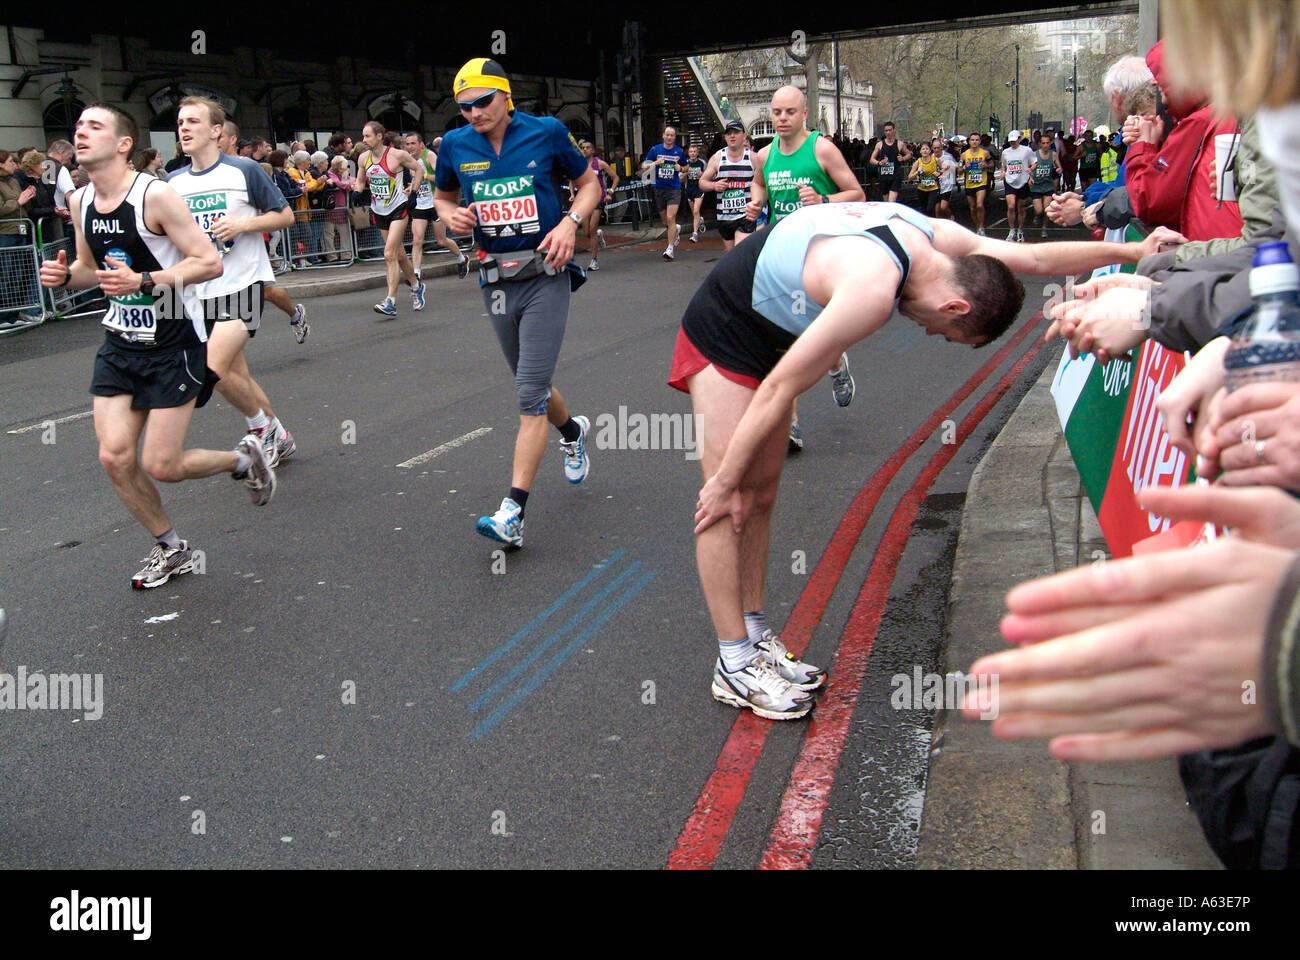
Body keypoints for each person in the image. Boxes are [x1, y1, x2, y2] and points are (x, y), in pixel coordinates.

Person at [671, 200, 1182, 719]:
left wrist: (1135, 250)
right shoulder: (872, 290)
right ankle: (733, 662)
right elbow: (781, 388)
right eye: (944, 333)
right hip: (727, 330)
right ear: (956, 307)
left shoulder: (938, 244)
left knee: (762, 495)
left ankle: (755, 637)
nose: (929, 333)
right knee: (727, 496)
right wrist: (722, 478)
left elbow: (1036, 260)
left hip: (777, 333)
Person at [40, 103, 276, 589]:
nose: (81, 133)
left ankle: (243, 459)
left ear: (123, 144)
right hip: (120, 340)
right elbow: (90, 269)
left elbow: (208, 262)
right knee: (114, 456)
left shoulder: (156, 196)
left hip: (173, 338)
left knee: (162, 465)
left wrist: (145, 279)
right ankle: (171, 548)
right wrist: (67, 278)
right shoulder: (83, 200)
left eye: (94, 127)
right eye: (78, 126)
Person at [434, 57, 599, 550]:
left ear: (507, 96)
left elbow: (589, 182)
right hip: (496, 280)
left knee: (528, 392)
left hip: (546, 272)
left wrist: (569, 223)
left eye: (482, 102)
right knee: (533, 382)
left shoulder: (546, 131)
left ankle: (513, 512)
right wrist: (451, 217)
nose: (473, 114)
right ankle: (572, 431)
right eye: (464, 107)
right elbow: (442, 197)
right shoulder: (456, 145)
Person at [169, 96, 304, 467]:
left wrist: (243, 224)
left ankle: (260, 431)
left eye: (193, 121)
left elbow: (286, 216)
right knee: (232, 375)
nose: (184, 128)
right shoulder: (173, 182)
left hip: (243, 283)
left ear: (216, 131)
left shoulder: (244, 169)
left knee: (210, 368)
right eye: (180, 122)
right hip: (199, 290)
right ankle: (280, 435)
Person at [748, 85, 866, 449]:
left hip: (822, 253)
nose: (781, 119)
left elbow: (857, 193)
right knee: (788, 338)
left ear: (803, 115)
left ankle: (835, 362)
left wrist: (823, 198)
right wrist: (755, 205)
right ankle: (792, 424)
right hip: (784, 253)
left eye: (788, 112)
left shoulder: (821, 149)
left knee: (815, 332)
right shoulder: (764, 156)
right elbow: (759, 185)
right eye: (776, 112)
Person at [353, 121, 426, 317]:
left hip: (398, 208)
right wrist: (357, 192)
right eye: (363, 136)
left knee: (388, 254)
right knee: (399, 255)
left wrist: (414, 192)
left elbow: (419, 170)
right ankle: (417, 285)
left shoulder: (397, 155)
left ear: (379, 136)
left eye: (367, 136)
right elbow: (360, 180)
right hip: (379, 211)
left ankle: (390, 301)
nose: (364, 140)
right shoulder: (363, 158)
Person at [403, 131, 469, 281]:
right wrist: (411, 187)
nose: (410, 147)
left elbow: (442, 176)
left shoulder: (429, 156)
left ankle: (461, 259)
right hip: (420, 204)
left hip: (434, 202)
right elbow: (414, 181)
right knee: (417, 239)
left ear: (420, 144)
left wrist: (424, 176)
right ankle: (416, 274)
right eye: (407, 144)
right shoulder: (408, 160)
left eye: (413, 143)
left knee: (441, 240)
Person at [699, 119, 756, 251]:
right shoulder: (718, 158)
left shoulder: (753, 158)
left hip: (745, 215)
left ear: (744, 136)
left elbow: (761, 183)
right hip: (724, 216)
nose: (732, 136)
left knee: (741, 252)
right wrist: (714, 186)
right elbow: (702, 182)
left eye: (736, 132)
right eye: (729, 133)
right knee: (730, 256)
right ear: (725, 137)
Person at [642, 126, 686, 261]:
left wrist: (681, 168)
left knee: (671, 217)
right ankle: (674, 231)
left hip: (674, 189)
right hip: (659, 188)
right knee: (665, 221)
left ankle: (670, 249)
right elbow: (644, 166)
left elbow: (686, 167)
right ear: (663, 136)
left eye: (672, 135)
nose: (669, 137)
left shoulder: (679, 151)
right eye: (667, 135)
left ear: (674, 137)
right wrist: (656, 162)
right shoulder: (655, 150)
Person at [576, 138, 618, 270]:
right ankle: (599, 235)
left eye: (587, 147)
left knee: (593, 228)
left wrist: (610, 193)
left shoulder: (599, 163)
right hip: (583, 200)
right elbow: (572, 180)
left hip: (597, 199)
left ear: (593, 150)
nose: (585, 149)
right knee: (587, 231)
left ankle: (594, 260)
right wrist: (572, 194)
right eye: (582, 148)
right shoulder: (578, 164)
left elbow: (615, 177)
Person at [1000, 131, 1036, 242]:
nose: (1012, 143)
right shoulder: (1005, 152)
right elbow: (1003, 165)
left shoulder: (1027, 151)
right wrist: (1003, 172)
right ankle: (1012, 230)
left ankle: (1020, 230)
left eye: (1014, 141)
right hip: (1010, 180)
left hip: (1023, 180)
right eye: (1011, 141)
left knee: (1021, 207)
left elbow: (1034, 162)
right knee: (1011, 206)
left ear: (1019, 139)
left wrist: (1031, 170)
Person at [1028, 132, 1063, 238]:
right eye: (1043, 143)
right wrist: (1030, 178)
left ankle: (1044, 228)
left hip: (1048, 185)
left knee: (1047, 209)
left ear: (1050, 143)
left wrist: (1059, 169)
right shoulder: (1034, 155)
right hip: (1037, 186)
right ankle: (1037, 216)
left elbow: (1060, 168)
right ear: (1040, 144)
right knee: (1039, 210)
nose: (1045, 145)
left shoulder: (1053, 154)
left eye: (1047, 143)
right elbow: (1028, 168)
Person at [320, 155, 354, 263]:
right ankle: (331, 256)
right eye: (345, 166)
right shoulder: (330, 173)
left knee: (344, 232)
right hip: (331, 208)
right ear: (338, 167)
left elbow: (353, 180)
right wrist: (347, 185)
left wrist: (348, 183)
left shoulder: (344, 174)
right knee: (329, 234)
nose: (347, 169)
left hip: (343, 207)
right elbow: (337, 183)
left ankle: (346, 254)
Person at [869, 121, 912, 203]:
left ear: (894, 130)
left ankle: (893, 214)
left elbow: (909, 154)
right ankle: (890, 215)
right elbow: (871, 159)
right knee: (886, 202)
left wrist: (903, 158)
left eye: (890, 130)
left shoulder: (899, 144)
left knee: (891, 201)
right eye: (886, 130)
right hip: (884, 177)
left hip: (895, 176)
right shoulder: (879, 144)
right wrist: (879, 163)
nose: (888, 132)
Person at [960, 133, 993, 236]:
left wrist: (986, 165)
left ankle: (982, 226)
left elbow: (992, 164)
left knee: (979, 205)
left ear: (979, 141)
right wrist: (965, 166)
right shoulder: (964, 155)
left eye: (977, 140)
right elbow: (959, 171)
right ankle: (977, 226)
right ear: (969, 142)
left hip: (981, 182)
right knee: (972, 207)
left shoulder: (985, 153)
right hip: (969, 183)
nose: (974, 142)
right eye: (972, 140)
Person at [908, 141, 942, 216]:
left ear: (930, 151)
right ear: (920, 151)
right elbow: (910, 177)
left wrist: (939, 173)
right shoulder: (918, 162)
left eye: (927, 149)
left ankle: (932, 225)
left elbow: (944, 169)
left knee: (930, 208)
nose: (925, 150)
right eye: (923, 149)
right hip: (922, 189)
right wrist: (917, 171)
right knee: (924, 210)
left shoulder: (935, 160)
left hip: (933, 188)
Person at [682, 143, 707, 243]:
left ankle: (695, 234)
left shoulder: (702, 163)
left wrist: (702, 175)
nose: (692, 154)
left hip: (699, 189)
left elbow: (709, 175)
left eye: (694, 152)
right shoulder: (685, 163)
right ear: (688, 153)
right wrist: (685, 174)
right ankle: (700, 220)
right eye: (691, 152)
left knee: (696, 210)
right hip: (689, 189)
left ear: (697, 153)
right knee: (694, 212)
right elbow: (680, 179)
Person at [933, 137, 959, 219]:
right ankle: (939, 227)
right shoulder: (931, 157)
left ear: (941, 147)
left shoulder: (948, 156)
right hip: (936, 185)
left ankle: (950, 216)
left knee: (943, 207)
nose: (936, 150)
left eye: (938, 148)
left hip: (946, 184)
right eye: (934, 148)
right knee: (937, 210)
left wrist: (944, 167)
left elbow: (956, 167)